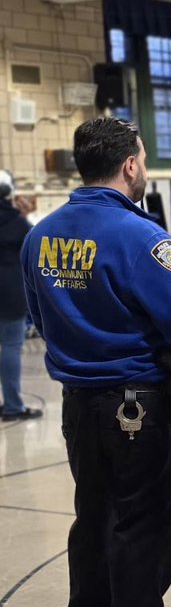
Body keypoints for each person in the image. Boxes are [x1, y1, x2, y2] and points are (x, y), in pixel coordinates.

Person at [21, 118, 171, 607]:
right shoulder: (139, 236)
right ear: (131, 164)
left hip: (78, 401)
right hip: (138, 400)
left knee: (95, 515)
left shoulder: (42, 236)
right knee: (148, 522)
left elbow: (38, 313)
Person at [0, 171, 42, 421]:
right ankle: (13, 406)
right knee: (11, 347)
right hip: (10, 292)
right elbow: (33, 252)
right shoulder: (17, 222)